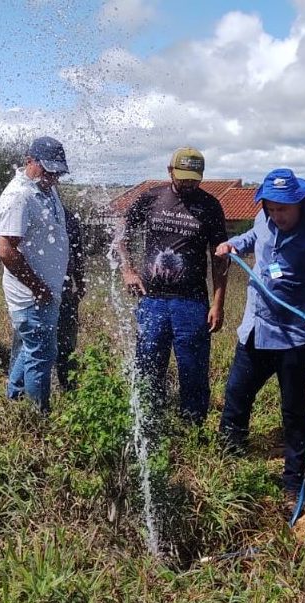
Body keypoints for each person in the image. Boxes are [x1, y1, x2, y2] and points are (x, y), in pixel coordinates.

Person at [215, 168, 305, 509]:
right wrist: (233, 244)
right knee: (236, 399)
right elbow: (253, 237)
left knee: (293, 412)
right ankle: (229, 469)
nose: (276, 215)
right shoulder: (264, 217)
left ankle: (293, 487)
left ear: (300, 202)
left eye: (282, 209)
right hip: (255, 329)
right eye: (271, 208)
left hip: (294, 338)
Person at [115, 147, 229, 424]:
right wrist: (128, 270)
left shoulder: (210, 206)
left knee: (193, 369)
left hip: (191, 303)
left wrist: (218, 303)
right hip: (152, 299)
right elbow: (122, 233)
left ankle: (193, 425)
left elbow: (221, 259)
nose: (189, 183)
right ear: (170, 171)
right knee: (149, 365)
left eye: (195, 179)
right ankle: (149, 422)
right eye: (183, 178)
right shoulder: (152, 198)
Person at [0, 137, 71, 412]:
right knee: (42, 354)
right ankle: (38, 416)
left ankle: (15, 402)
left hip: (44, 291)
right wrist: (37, 287)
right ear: (29, 161)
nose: (53, 176)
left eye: (57, 171)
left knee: (31, 348)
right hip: (32, 296)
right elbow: (5, 250)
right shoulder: (19, 197)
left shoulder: (44, 189)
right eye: (48, 170)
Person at [56, 206, 86, 391]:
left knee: (66, 343)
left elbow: (77, 252)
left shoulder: (67, 216)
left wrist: (81, 283)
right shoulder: (29, 208)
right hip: (35, 293)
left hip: (65, 292)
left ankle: (68, 387)